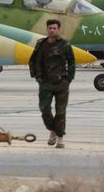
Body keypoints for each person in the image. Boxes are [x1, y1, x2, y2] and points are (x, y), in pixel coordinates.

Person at [29, 19, 75, 149]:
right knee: (45, 110)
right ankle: (52, 130)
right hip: (45, 84)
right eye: (50, 28)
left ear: (58, 29)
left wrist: (68, 79)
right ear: (47, 29)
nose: (52, 30)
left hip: (61, 83)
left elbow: (72, 62)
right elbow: (34, 61)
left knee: (61, 112)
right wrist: (38, 77)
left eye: (54, 28)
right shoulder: (41, 44)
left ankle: (60, 138)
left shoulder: (65, 45)